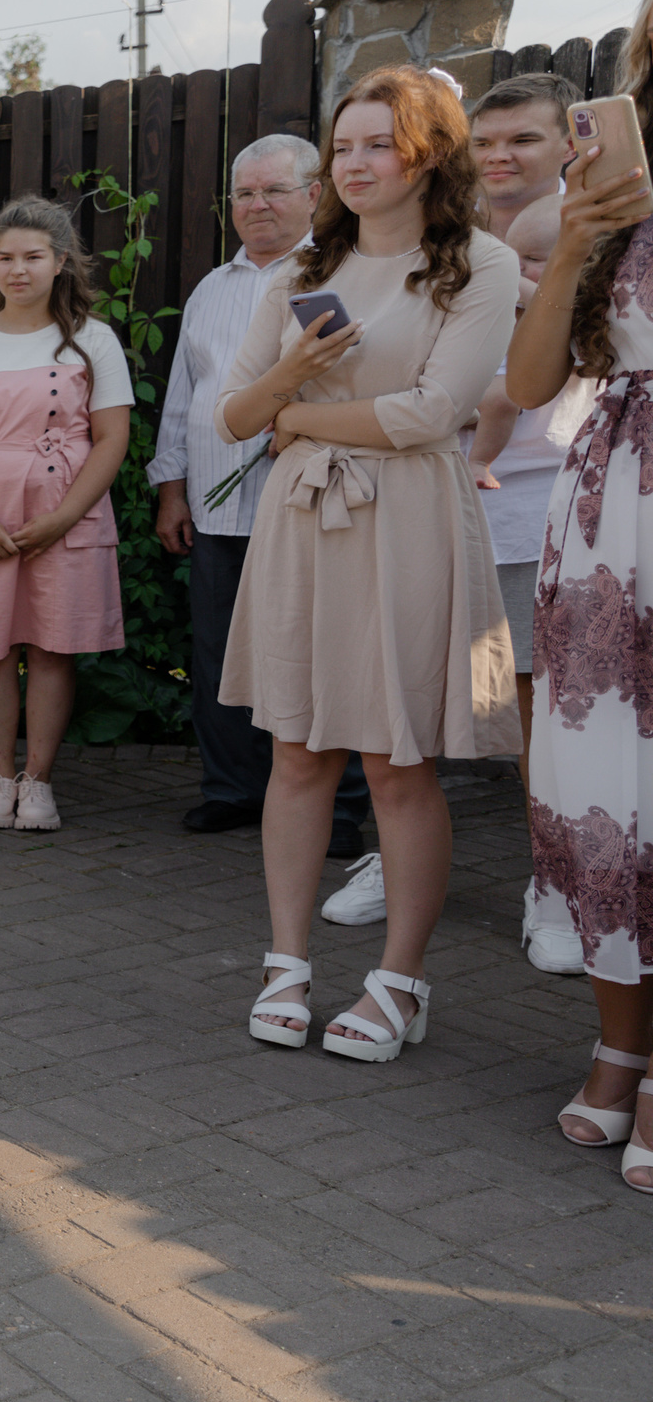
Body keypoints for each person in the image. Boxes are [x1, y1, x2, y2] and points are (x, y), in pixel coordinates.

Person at [221, 63, 520, 1065]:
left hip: (405, 520)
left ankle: (399, 983)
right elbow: (230, 416)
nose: (354, 164)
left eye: (377, 143)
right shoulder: (297, 267)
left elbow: (434, 412)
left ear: (429, 150)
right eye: (342, 146)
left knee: (397, 764)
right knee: (297, 751)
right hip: (304, 525)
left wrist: (295, 412)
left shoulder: (480, 262)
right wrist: (286, 380)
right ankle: (286, 964)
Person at [506, 0, 653, 1185]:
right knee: (602, 776)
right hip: (616, 508)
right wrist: (582, 233)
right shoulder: (608, 178)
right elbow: (529, 375)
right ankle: (619, 1048)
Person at [153, 136, 374, 861]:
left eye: (273, 191)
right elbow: (186, 400)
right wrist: (173, 489)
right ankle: (232, 790)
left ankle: (338, 810)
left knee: (318, 655)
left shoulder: (339, 271)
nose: (256, 206)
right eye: (244, 193)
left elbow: (363, 379)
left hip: (309, 497)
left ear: (314, 194)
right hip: (218, 509)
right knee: (219, 654)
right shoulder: (211, 289)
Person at [0, 197, 133, 833]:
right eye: (6, 258)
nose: (18, 270)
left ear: (60, 261)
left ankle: (37, 783)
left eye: (33, 257)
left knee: (51, 648)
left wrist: (65, 517)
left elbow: (112, 438)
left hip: (61, 514)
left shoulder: (92, 340)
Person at [478, 197, 602, 973]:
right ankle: (552, 885)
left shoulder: (585, 322)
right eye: (513, 258)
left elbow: (501, 400)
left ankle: (560, 889)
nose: (521, 274)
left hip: (553, 522)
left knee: (552, 717)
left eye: (536, 259)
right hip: (490, 526)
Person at [470, 71, 580, 242]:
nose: (497, 157)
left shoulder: (605, 234)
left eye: (522, 141)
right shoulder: (432, 228)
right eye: (483, 144)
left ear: (570, 147)